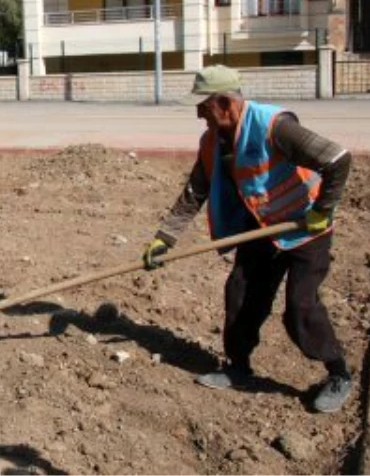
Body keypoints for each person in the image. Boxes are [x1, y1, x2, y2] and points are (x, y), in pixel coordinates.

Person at [141, 65, 354, 414]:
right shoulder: (212, 142)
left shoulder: (275, 126)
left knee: (301, 306)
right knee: (240, 295)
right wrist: (164, 238)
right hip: (262, 228)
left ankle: (338, 373)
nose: (198, 114)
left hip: (305, 229)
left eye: (203, 106)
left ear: (225, 103)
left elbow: (338, 159)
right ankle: (238, 367)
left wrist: (322, 210)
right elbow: (196, 190)